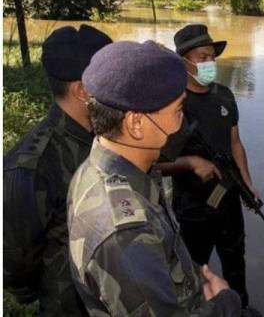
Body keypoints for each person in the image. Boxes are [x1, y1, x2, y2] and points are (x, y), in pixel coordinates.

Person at [67, 40, 241, 316]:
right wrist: (224, 302)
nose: (183, 122)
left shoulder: (99, 168)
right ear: (136, 123)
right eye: (178, 110)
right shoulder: (124, 234)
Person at [4, 25, 112, 316]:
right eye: (111, 80)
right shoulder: (31, 166)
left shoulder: (104, 138)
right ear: (83, 91)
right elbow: (17, 262)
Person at [156, 24, 262, 317]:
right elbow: (154, 164)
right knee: (193, 275)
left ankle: (238, 309)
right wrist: (191, 163)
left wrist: (247, 182)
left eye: (212, 57)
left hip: (228, 204)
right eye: (202, 58)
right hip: (191, 211)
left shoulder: (225, 96)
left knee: (236, 268)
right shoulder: (172, 106)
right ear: (183, 62)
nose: (210, 64)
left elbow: (236, 144)